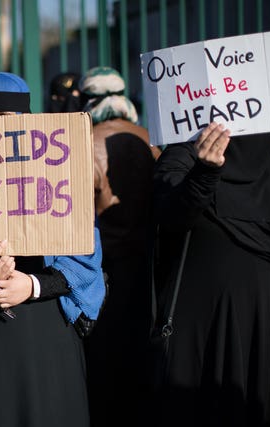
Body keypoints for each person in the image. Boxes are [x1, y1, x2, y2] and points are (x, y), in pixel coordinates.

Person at [0, 72, 107, 427]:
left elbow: (84, 263)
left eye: (5, 119)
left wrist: (31, 285)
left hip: (41, 340)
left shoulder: (59, 172)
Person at [150, 123, 270, 426]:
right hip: (225, 324)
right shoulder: (187, 157)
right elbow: (170, 215)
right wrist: (204, 173)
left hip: (238, 327)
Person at [78, 66, 160, 426]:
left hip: (100, 272)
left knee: (103, 368)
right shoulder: (151, 140)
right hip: (145, 268)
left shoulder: (82, 144)